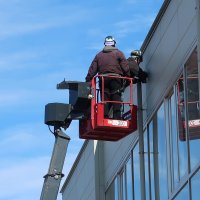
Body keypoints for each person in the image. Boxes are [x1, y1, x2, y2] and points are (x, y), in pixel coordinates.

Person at [85, 35, 130, 119]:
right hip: (116, 79)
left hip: (103, 79)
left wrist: (88, 80)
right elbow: (125, 67)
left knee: (105, 99)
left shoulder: (99, 55)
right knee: (116, 97)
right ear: (114, 44)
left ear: (105, 44)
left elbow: (92, 70)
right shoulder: (118, 53)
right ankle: (117, 117)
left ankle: (104, 117)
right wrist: (128, 76)